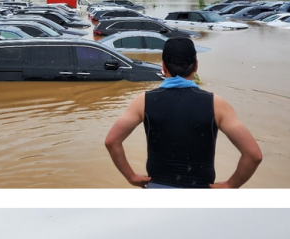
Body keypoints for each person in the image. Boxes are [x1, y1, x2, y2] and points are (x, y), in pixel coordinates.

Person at [104, 36, 263, 189]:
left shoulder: (143, 101)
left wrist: (131, 177)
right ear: (196, 66)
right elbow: (253, 155)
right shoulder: (217, 104)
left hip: (158, 190)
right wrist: (231, 185)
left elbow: (112, 141)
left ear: (164, 67)